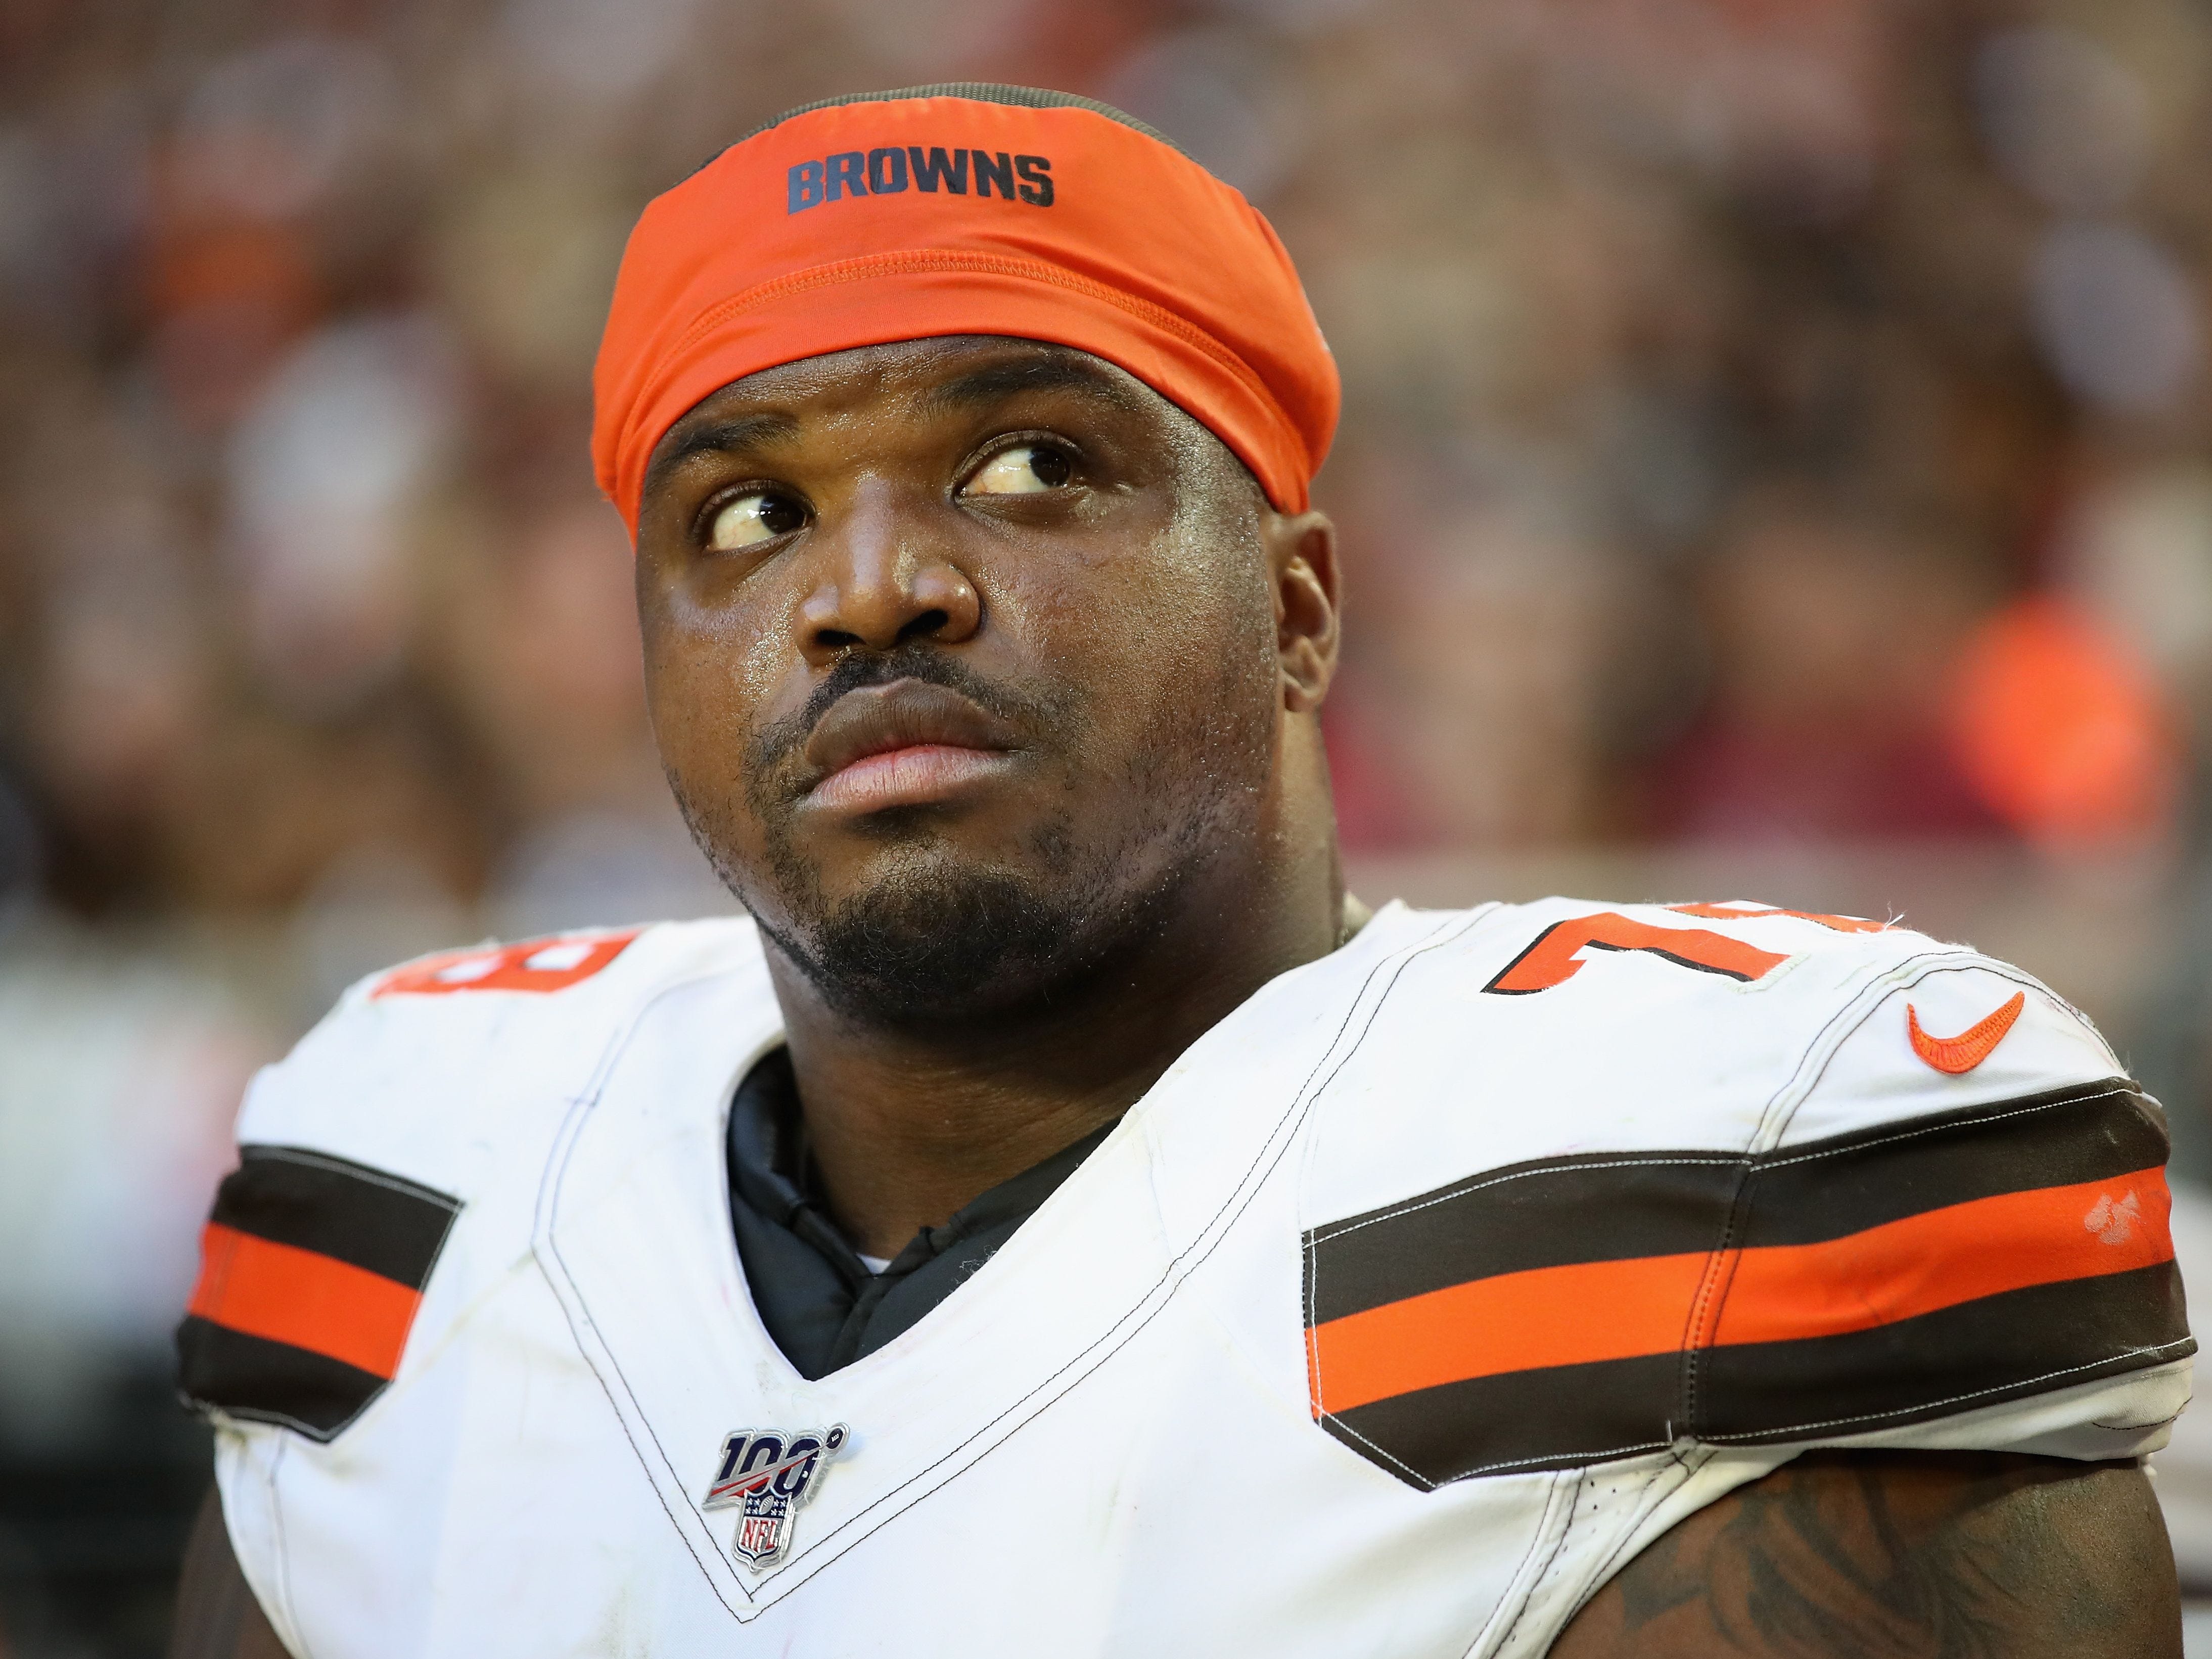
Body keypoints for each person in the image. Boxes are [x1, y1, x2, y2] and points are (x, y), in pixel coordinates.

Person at [166, 86, 2189, 1659]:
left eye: (1032, 464)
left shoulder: (1718, 1165)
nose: (869, 584)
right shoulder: (429, 1159)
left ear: (1299, 612)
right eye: (752, 508)